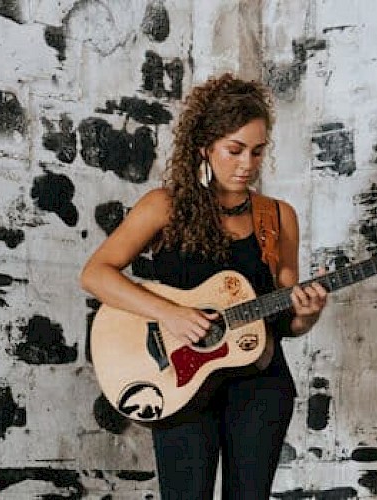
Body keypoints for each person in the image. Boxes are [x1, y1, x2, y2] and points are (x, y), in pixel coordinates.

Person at [80, 73, 327, 499]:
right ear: (204, 147)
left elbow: (285, 321)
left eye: (257, 151)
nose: (247, 163)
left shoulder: (278, 217)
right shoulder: (164, 206)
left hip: (260, 384)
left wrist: (307, 313)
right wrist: (170, 314)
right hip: (177, 381)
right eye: (234, 150)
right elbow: (96, 273)